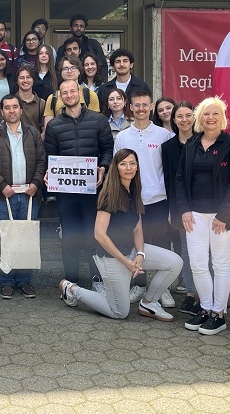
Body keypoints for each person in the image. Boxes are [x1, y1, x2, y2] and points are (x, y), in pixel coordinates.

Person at [58, 149, 183, 322]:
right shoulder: (109, 194)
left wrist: (140, 254)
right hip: (111, 257)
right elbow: (99, 235)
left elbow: (137, 228)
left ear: (137, 167)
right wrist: (126, 263)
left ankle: (149, 302)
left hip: (130, 251)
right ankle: (71, 289)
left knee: (175, 262)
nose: (128, 168)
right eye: (123, 164)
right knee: (119, 312)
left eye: (132, 163)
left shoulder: (134, 190)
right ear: (116, 168)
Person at [176, 97, 230, 335]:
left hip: (223, 217)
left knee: (219, 263)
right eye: (206, 114)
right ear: (199, 118)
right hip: (194, 214)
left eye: (215, 113)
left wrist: (224, 214)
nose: (210, 118)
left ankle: (219, 314)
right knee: (197, 264)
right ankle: (205, 309)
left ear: (223, 117)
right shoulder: (191, 145)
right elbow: (180, 180)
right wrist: (184, 209)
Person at [44, 80, 114, 288]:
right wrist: (50, 172)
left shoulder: (98, 120)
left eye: (72, 91)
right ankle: (71, 281)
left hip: (93, 189)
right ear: (60, 97)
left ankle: (97, 279)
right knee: (70, 237)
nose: (69, 95)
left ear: (80, 94)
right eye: (64, 93)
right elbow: (50, 155)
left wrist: (103, 166)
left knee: (95, 235)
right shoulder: (54, 125)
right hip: (66, 192)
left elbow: (108, 148)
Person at [113, 88, 174, 307]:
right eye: (136, 105)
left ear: (151, 106)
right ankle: (138, 285)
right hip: (131, 201)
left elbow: (170, 172)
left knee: (160, 244)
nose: (140, 109)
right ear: (130, 106)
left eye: (145, 105)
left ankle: (162, 288)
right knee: (135, 246)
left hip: (157, 200)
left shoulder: (164, 135)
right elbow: (116, 170)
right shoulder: (122, 137)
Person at [0, 95, 45, 299]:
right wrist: (2, 186)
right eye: (7, 107)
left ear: (21, 109)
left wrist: (36, 184)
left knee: (26, 239)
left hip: (29, 195)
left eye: (15, 107)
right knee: (6, 239)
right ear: (1, 111)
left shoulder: (33, 133)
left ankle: (24, 281)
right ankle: (6, 281)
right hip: (5, 197)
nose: (11, 111)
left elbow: (41, 162)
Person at [160, 101, 198, 313]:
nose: (184, 120)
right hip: (180, 205)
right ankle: (191, 293)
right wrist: (170, 209)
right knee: (186, 249)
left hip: (205, 204)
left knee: (207, 252)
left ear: (194, 117)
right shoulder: (168, 147)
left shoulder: (204, 141)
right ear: (173, 120)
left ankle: (206, 293)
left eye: (188, 115)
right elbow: (168, 180)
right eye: (180, 116)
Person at [42, 55, 100, 131]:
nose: (69, 71)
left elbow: (95, 124)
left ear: (79, 71)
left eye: (73, 68)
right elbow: (48, 129)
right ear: (61, 72)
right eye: (65, 68)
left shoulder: (90, 95)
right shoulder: (53, 98)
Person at [15, 65, 45, 132]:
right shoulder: (11, 102)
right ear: (17, 81)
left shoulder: (41, 103)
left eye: (28, 77)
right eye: (22, 78)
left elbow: (44, 129)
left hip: (35, 141)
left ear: (33, 80)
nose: (25, 80)